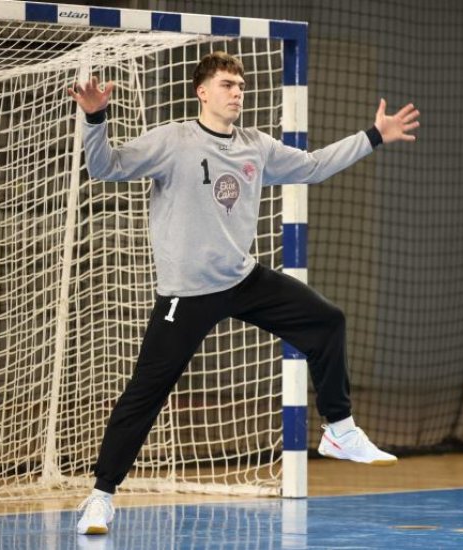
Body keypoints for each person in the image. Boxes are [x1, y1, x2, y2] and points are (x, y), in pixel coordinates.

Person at [67, 51, 420, 535]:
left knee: (326, 320)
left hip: (242, 278)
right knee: (144, 395)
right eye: (228, 84)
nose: (237, 92)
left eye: (241, 85)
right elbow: (105, 166)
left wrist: (374, 135)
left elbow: (314, 167)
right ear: (202, 91)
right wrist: (94, 116)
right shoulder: (174, 140)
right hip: (185, 295)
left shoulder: (255, 145)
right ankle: (101, 497)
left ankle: (339, 430)